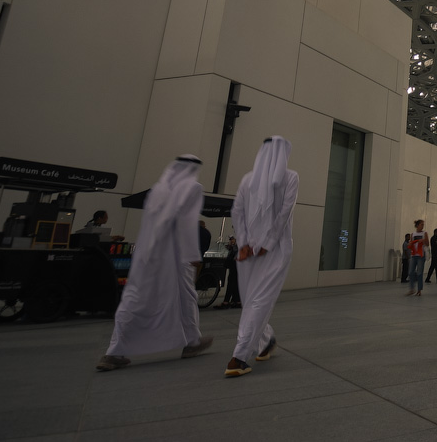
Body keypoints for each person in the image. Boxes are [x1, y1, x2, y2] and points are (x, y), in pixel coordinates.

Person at [96, 155, 212, 371]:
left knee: (134, 298)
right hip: (175, 255)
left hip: (147, 254)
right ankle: (192, 342)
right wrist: (192, 254)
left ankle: (113, 352)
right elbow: (187, 223)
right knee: (186, 296)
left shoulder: (158, 189)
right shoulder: (192, 187)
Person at [226, 136, 299, 377]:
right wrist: (260, 243)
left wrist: (246, 242)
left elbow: (237, 212)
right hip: (268, 250)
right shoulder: (291, 177)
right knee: (254, 302)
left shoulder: (248, 179)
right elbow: (285, 213)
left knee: (255, 302)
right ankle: (253, 348)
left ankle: (243, 352)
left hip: (255, 251)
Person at [215, 236, 241, 309]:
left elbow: (239, 248)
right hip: (238, 261)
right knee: (235, 281)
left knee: (231, 281)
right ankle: (237, 300)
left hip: (236, 261)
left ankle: (227, 301)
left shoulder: (242, 235)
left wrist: (232, 245)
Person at [406, 220, 429, 296]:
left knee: (419, 273)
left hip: (421, 255)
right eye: (421, 224)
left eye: (423, 225)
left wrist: (423, 240)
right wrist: (410, 244)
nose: (422, 226)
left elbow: (427, 244)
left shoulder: (424, 233)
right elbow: (411, 243)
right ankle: (412, 288)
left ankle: (419, 289)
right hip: (413, 254)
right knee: (411, 272)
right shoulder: (413, 234)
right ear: (417, 225)